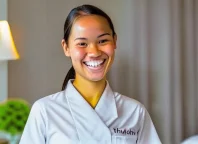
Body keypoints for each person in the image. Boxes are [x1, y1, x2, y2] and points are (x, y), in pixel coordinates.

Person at [19, 4, 161, 144]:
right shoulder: (45, 111)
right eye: (82, 43)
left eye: (103, 41)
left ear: (115, 41)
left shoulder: (134, 112)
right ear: (66, 47)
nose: (94, 52)